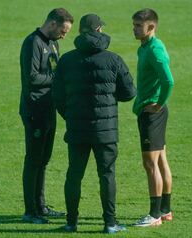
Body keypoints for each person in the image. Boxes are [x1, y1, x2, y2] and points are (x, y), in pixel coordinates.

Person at [52, 14, 136, 233]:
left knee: (74, 174)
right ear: (99, 30)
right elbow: (129, 93)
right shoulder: (113, 59)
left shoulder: (67, 60)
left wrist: (69, 115)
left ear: (80, 32)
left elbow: (57, 96)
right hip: (105, 133)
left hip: (77, 129)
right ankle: (110, 223)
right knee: (107, 175)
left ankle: (71, 222)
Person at [19, 8, 73, 224]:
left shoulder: (53, 43)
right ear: (52, 24)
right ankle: (30, 211)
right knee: (33, 160)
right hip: (34, 110)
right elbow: (31, 77)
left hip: (49, 109)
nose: (64, 35)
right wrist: (58, 78)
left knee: (43, 160)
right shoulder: (33, 43)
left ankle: (40, 206)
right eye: (63, 30)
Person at [131, 9, 175, 227]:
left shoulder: (154, 50)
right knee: (160, 160)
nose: (134, 29)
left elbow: (169, 81)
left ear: (152, 27)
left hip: (152, 113)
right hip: (151, 110)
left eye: (139, 26)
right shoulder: (145, 47)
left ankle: (154, 214)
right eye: (134, 25)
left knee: (150, 164)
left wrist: (158, 104)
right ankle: (165, 210)